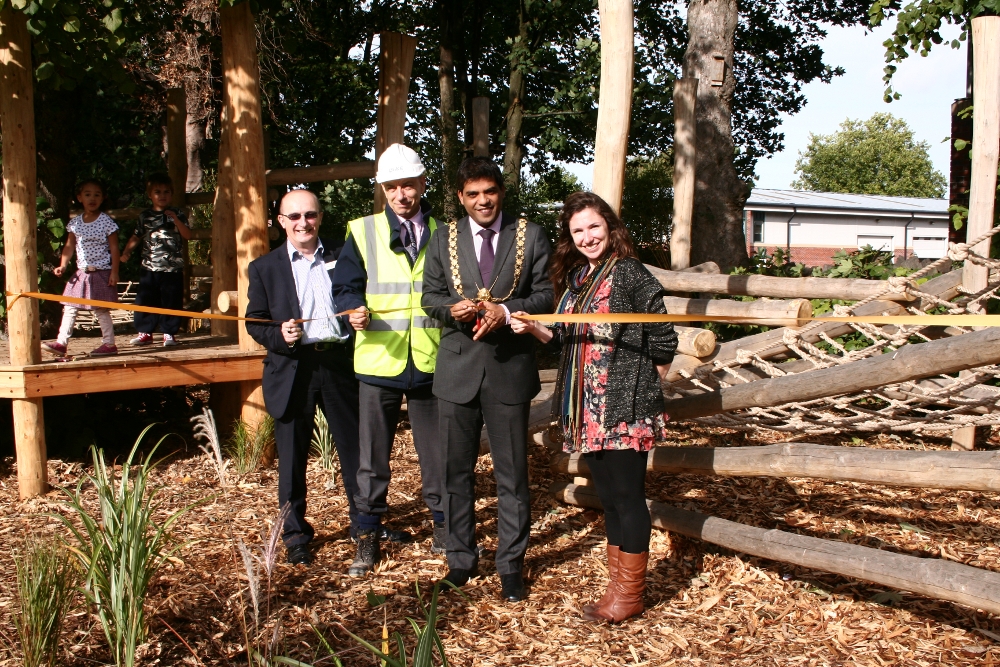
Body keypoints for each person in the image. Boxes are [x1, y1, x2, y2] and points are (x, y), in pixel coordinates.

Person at [510, 191, 678, 622]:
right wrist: (533, 328)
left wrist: (641, 390)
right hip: (587, 409)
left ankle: (629, 597)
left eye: (594, 227)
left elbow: (663, 340)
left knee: (628, 496)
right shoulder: (578, 280)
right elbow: (566, 340)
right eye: (577, 230)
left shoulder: (629, 274)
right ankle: (618, 590)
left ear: (610, 227)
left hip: (622, 407)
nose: (587, 237)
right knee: (610, 497)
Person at [421, 156, 553, 602]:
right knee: (454, 473)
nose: (483, 201)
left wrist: (509, 311)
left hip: (509, 370)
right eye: (473, 194)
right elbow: (430, 298)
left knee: (512, 474)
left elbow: (547, 293)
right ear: (460, 197)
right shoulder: (443, 237)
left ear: (501, 192)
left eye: (489, 192)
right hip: (457, 369)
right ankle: (460, 559)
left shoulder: (530, 235)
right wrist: (449, 309)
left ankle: (511, 565)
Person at [333, 143, 446, 577]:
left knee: (437, 456)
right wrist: (352, 308)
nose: (402, 194)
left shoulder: (444, 231)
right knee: (372, 458)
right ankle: (366, 535)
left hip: (431, 362)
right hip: (379, 363)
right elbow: (344, 287)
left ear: (422, 184)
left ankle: (442, 526)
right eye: (392, 186)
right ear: (382, 189)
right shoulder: (361, 232)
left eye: (409, 185)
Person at [245, 189, 363, 566]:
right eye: (293, 217)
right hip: (293, 368)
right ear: (281, 222)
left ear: (320, 216)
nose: (303, 223)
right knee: (292, 459)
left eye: (309, 215)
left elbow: (361, 297)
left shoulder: (344, 253)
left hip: (339, 364)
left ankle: (364, 525)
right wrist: (278, 335)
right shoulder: (264, 268)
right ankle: (295, 534)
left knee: (355, 451)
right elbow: (255, 321)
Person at [42, 179, 121, 358]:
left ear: (103, 198)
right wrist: (63, 265)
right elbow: (69, 246)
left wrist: (114, 272)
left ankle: (109, 344)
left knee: (101, 309)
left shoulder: (106, 222)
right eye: (87, 194)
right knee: (70, 307)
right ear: (79, 198)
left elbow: (114, 248)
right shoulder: (75, 223)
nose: (92, 198)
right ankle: (61, 343)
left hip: (101, 272)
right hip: (81, 273)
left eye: (96, 195)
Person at [119, 173, 192, 347]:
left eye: (166, 192)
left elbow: (188, 235)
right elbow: (136, 236)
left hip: (172, 268)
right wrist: (127, 252)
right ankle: (145, 332)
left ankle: (169, 333)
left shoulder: (178, 213)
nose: (162, 195)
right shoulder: (145, 216)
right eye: (157, 192)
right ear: (150, 195)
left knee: (171, 300)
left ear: (172, 194)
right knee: (146, 299)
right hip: (149, 267)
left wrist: (175, 219)